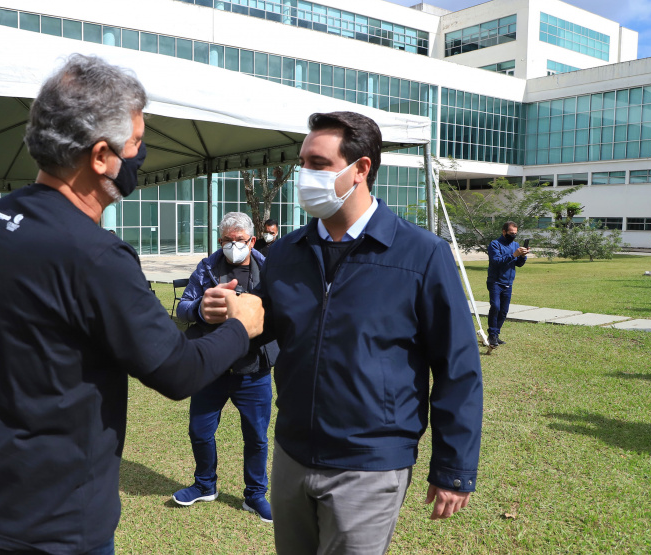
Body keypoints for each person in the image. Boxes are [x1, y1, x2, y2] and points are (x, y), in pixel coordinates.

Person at [0, 54, 264, 555]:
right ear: (101, 157)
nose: (143, 153)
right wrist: (241, 325)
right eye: (137, 142)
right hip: (59, 519)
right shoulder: (94, 254)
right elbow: (177, 371)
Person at [202, 111, 483, 554]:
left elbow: (458, 367)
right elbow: (270, 323)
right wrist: (231, 310)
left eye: (317, 163)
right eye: (302, 163)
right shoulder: (286, 252)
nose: (304, 175)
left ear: (361, 169)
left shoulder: (422, 254)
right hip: (292, 452)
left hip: (369, 464)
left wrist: (454, 467)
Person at [173, 212, 278, 522]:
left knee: (257, 436)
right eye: (227, 241)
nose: (234, 246)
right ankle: (205, 485)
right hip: (212, 367)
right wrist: (201, 310)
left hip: (253, 369)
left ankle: (255, 495)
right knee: (200, 431)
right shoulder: (207, 268)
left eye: (240, 241)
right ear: (220, 241)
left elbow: (284, 310)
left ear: (252, 241)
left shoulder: (268, 269)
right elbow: (183, 308)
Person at [487, 221, 529, 346]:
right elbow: (496, 261)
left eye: (515, 233)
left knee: (504, 311)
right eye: (511, 233)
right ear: (504, 231)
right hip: (495, 281)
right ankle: (492, 335)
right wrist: (514, 254)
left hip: (508, 283)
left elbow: (519, 264)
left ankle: (496, 334)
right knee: (495, 307)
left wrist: (522, 256)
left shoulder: (515, 244)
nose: (513, 235)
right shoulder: (495, 244)